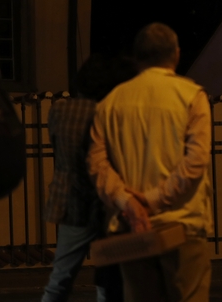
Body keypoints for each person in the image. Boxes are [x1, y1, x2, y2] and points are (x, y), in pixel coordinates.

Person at [88, 23, 213, 302]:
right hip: (181, 224)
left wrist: (128, 203)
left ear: (137, 57)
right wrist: (153, 199)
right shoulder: (191, 96)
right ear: (176, 54)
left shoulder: (110, 103)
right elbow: (195, 162)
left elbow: (97, 165)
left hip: (131, 229)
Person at [42, 54, 137, 302]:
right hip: (108, 204)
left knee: (60, 279)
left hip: (71, 201)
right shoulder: (110, 113)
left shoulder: (60, 110)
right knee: (109, 281)